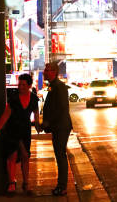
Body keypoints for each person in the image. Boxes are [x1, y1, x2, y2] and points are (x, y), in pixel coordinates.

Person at [0, 73, 40, 195]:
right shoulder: (14, 98)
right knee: (12, 156)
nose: (21, 87)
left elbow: (36, 113)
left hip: (25, 131)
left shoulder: (34, 98)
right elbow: (6, 115)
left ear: (29, 85)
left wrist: (39, 125)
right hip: (12, 130)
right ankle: (11, 183)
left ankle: (26, 183)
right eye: (20, 84)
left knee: (25, 156)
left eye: (24, 85)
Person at [42, 62, 72, 196]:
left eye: (47, 70)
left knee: (60, 156)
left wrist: (48, 121)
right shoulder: (53, 86)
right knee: (59, 155)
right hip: (58, 127)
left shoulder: (59, 87)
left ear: (54, 72)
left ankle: (62, 186)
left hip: (61, 127)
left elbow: (60, 108)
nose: (44, 72)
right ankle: (61, 185)